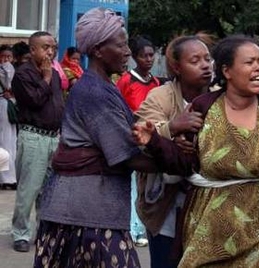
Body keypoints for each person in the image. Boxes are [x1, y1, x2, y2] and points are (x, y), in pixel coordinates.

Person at [133, 34, 259, 267]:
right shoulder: (203, 107)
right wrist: (155, 142)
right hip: (207, 231)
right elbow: (183, 163)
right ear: (227, 71)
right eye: (249, 63)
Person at [33, 7, 160, 267]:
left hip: (81, 213)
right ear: (99, 50)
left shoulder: (102, 86)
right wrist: (178, 160)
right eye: (121, 45)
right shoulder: (95, 93)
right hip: (86, 217)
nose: (127, 52)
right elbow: (124, 155)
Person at [134, 34, 213, 268]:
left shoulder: (224, 97)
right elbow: (142, 134)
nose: (205, 65)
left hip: (211, 203)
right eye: (195, 60)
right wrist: (173, 127)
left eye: (207, 59)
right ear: (177, 67)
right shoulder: (160, 96)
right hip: (165, 204)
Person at [11, 31, 65, 252]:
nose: (50, 52)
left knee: (50, 190)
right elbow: (33, 101)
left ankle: (44, 232)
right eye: (45, 47)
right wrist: (44, 78)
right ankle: (20, 234)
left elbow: (58, 103)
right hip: (33, 137)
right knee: (29, 189)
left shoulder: (53, 73)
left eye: (53, 47)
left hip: (54, 138)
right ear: (33, 50)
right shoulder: (22, 75)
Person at [116, 36, 161, 248]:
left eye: (151, 55)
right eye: (144, 56)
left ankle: (143, 225)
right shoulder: (126, 80)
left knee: (148, 185)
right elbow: (118, 109)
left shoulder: (155, 82)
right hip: (131, 138)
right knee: (134, 184)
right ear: (135, 57)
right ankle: (134, 229)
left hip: (152, 140)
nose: (149, 59)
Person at [0, 45, 17, 190]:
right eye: (3, 57)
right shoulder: (5, 70)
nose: (6, 60)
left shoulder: (11, 69)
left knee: (9, 142)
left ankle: (9, 178)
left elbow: (11, 87)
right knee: (4, 143)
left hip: (7, 108)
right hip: (2, 107)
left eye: (8, 57)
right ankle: (5, 178)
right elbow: (8, 85)